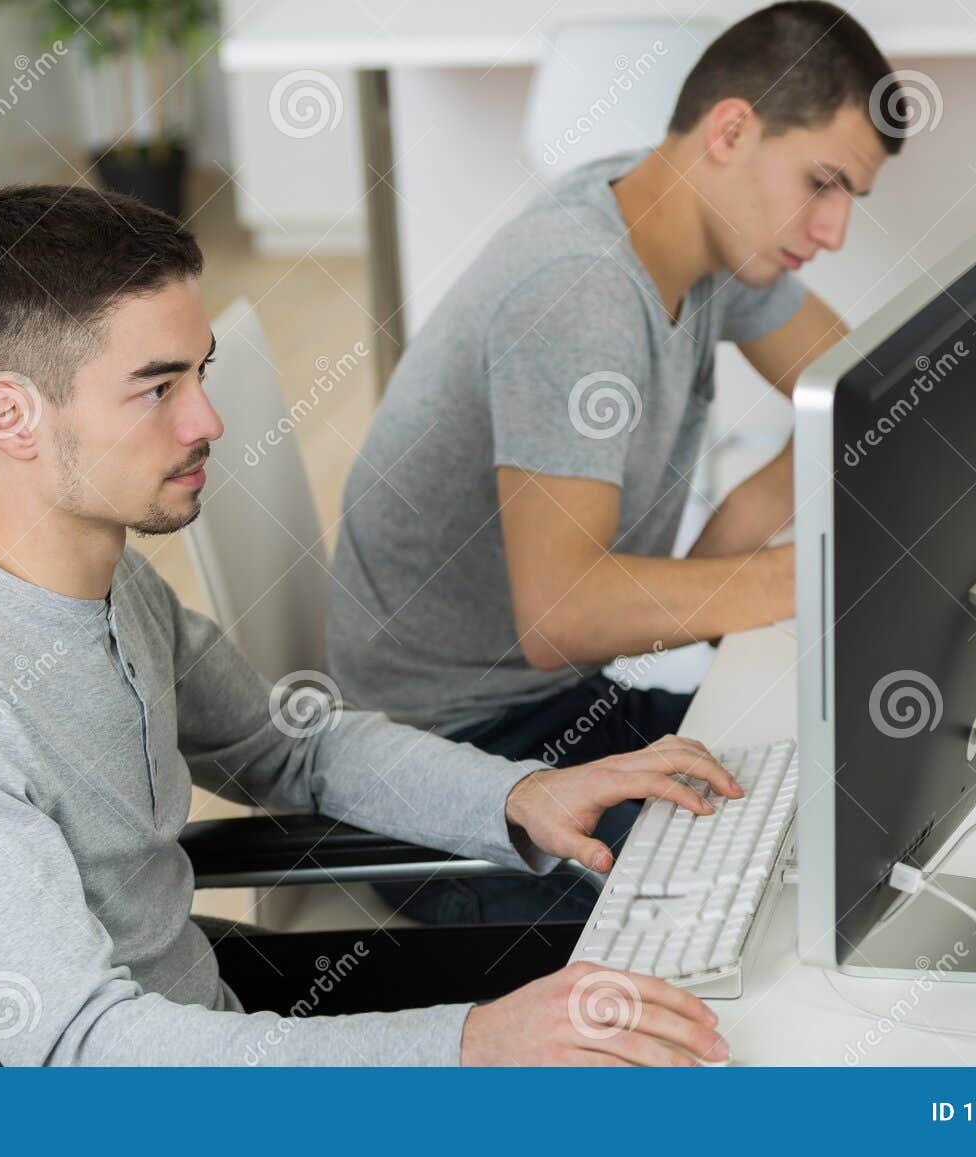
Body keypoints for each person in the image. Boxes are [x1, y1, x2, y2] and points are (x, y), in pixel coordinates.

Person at [0, 183, 738, 1067]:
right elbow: (83, 1049)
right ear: (8, 412)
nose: (208, 417)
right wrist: (468, 1044)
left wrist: (520, 794)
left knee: (645, 997)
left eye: (199, 373)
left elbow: (292, 747)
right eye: (157, 387)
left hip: (206, 1015)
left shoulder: (109, 578)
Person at [326, 1, 905, 925]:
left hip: (558, 714)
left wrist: (754, 526)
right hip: (450, 779)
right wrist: (814, 576)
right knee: (782, 908)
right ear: (730, 130)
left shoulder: (683, 218)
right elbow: (565, 613)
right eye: (821, 183)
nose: (831, 231)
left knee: (852, 797)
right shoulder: (581, 288)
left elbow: (863, 390)